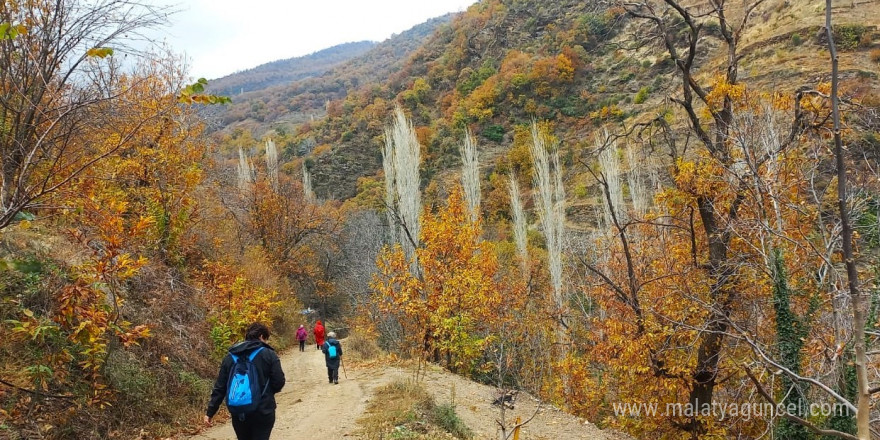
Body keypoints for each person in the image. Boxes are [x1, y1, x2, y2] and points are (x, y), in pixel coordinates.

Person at [205, 322, 286, 440]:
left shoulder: (230, 357)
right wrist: (267, 393)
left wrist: (210, 412)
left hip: (239, 412)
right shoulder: (269, 354)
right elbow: (279, 381)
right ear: (262, 336)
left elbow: (220, 387)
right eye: (266, 339)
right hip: (263, 411)